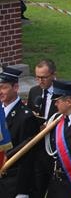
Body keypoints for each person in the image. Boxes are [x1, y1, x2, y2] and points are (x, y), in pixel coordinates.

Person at [0, 66, 38, 198]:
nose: (0, 92)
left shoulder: (25, 117)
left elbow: (27, 157)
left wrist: (22, 191)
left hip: (13, 185)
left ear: (15, 88)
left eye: (3, 88)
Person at [27, 59, 58, 198]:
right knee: (36, 190)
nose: (40, 81)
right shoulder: (34, 92)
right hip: (38, 150)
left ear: (53, 75)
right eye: (37, 77)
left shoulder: (62, 93)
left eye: (44, 77)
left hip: (55, 150)